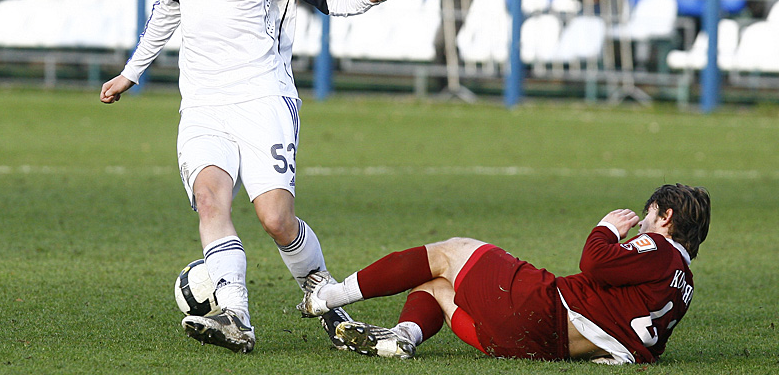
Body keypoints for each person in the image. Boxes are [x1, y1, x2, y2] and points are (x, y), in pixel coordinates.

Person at [99, 0, 395, 353]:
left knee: (276, 219)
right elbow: (167, 9)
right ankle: (234, 315)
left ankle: (326, 300)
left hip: (263, 98)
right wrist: (132, 72)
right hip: (202, 104)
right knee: (210, 200)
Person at [297, 184, 710, 364]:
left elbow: (594, 262)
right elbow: (644, 343)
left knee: (449, 251)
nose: (641, 224)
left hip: (543, 309)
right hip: (538, 348)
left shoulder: (659, 248)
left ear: (666, 217)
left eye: (648, 214)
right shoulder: (684, 284)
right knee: (436, 285)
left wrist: (607, 228)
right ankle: (403, 337)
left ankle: (325, 297)